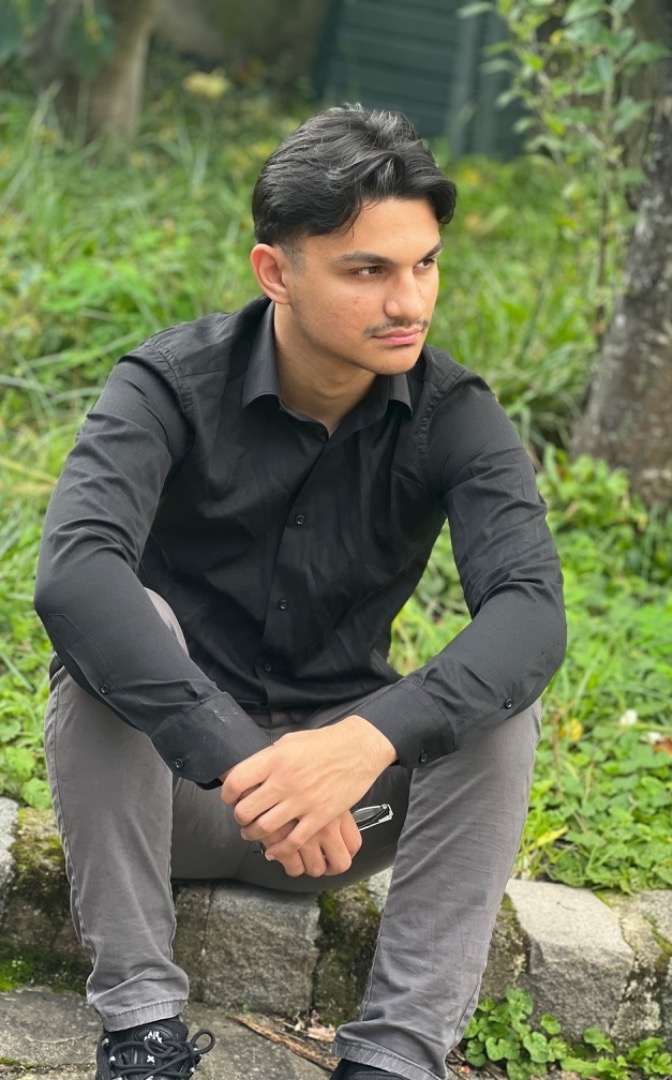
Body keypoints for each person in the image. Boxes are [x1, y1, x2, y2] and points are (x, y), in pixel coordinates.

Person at [34, 104, 566, 1080]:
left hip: (348, 818)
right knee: (119, 626)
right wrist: (248, 763)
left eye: (425, 265)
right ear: (275, 272)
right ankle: (142, 1031)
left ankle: (395, 1057)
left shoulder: (455, 415)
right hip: (178, 799)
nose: (409, 301)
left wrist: (362, 743)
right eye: (368, 271)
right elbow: (74, 571)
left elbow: (530, 611)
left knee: (499, 705)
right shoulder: (166, 385)